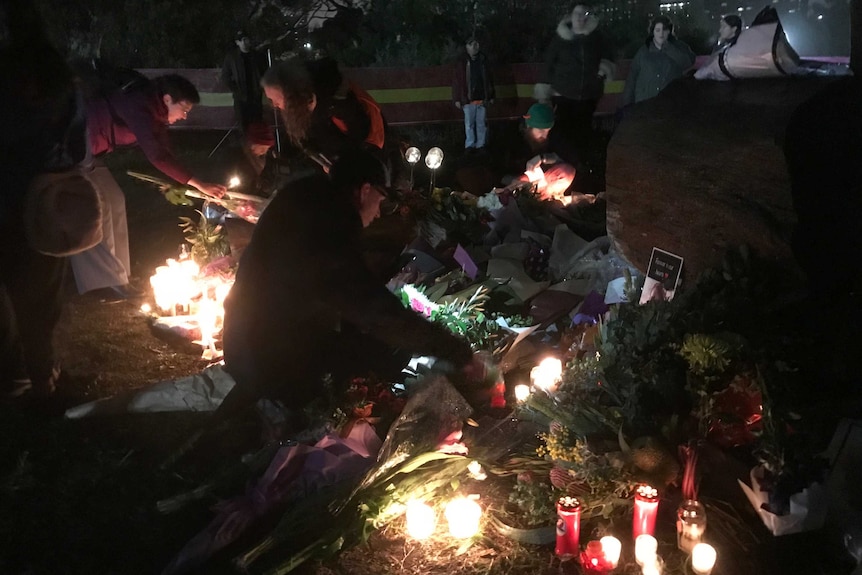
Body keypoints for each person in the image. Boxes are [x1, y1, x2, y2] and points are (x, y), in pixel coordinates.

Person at [220, 148, 477, 432]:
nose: (379, 213)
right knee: (380, 358)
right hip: (268, 352)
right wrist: (455, 351)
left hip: (246, 331)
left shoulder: (308, 195)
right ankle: (291, 428)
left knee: (368, 345)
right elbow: (370, 307)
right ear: (365, 190)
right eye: (380, 200)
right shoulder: (325, 226)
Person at [0, 0, 94, 396]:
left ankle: (11, 373)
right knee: (40, 293)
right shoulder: (55, 76)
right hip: (42, 200)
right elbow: (76, 145)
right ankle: (42, 373)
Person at [69, 73, 227, 298]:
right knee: (95, 208)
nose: (183, 116)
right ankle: (100, 284)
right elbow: (156, 156)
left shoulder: (156, 113)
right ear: (167, 99)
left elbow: (165, 151)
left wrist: (179, 182)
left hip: (93, 151)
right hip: (76, 145)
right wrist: (200, 185)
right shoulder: (139, 104)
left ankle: (117, 278)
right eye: (183, 109)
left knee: (115, 201)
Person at [260, 56, 386, 172]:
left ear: (291, 94)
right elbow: (306, 141)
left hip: (370, 156)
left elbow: (357, 140)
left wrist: (338, 165)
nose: (274, 105)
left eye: (275, 99)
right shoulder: (301, 108)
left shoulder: (337, 103)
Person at [540, 3, 616, 160]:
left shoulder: (596, 37)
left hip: (588, 94)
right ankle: (558, 165)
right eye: (577, 14)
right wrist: (546, 87)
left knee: (582, 133)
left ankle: (579, 167)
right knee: (563, 133)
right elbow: (549, 62)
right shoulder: (561, 38)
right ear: (571, 16)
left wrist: (601, 75)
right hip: (563, 95)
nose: (581, 17)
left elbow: (608, 56)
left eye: (584, 14)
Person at [621, 16, 696, 106]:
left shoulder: (678, 47)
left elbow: (687, 62)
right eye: (657, 30)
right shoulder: (643, 52)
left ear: (669, 31)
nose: (661, 33)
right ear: (652, 32)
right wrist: (626, 104)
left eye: (664, 30)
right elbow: (632, 78)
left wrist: (668, 48)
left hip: (670, 103)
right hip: (646, 103)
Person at [451, 36, 496, 152]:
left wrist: (491, 96)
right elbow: (457, 81)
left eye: (476, 44)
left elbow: (489, 79)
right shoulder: (462, 63)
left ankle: (481, 145)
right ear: (467, 47)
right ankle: (470, 145)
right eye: (472, 45)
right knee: (469, 124)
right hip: (468, 98)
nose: (475, 47)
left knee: (481, 123)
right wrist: (457, 98)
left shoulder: (483, 61)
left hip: (482, 97)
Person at [221, 30, 267, 135]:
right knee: (243, 127)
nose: (245, 42)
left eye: (246, 39)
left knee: (257, 124)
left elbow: (265, 72)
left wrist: (261, 88)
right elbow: (225, 76)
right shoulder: (232, 57)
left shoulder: (257, 56)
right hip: (241, 98)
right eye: (242, 40)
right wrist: (236, 90)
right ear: (237, 42)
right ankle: (246, 148)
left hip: (255, 97)